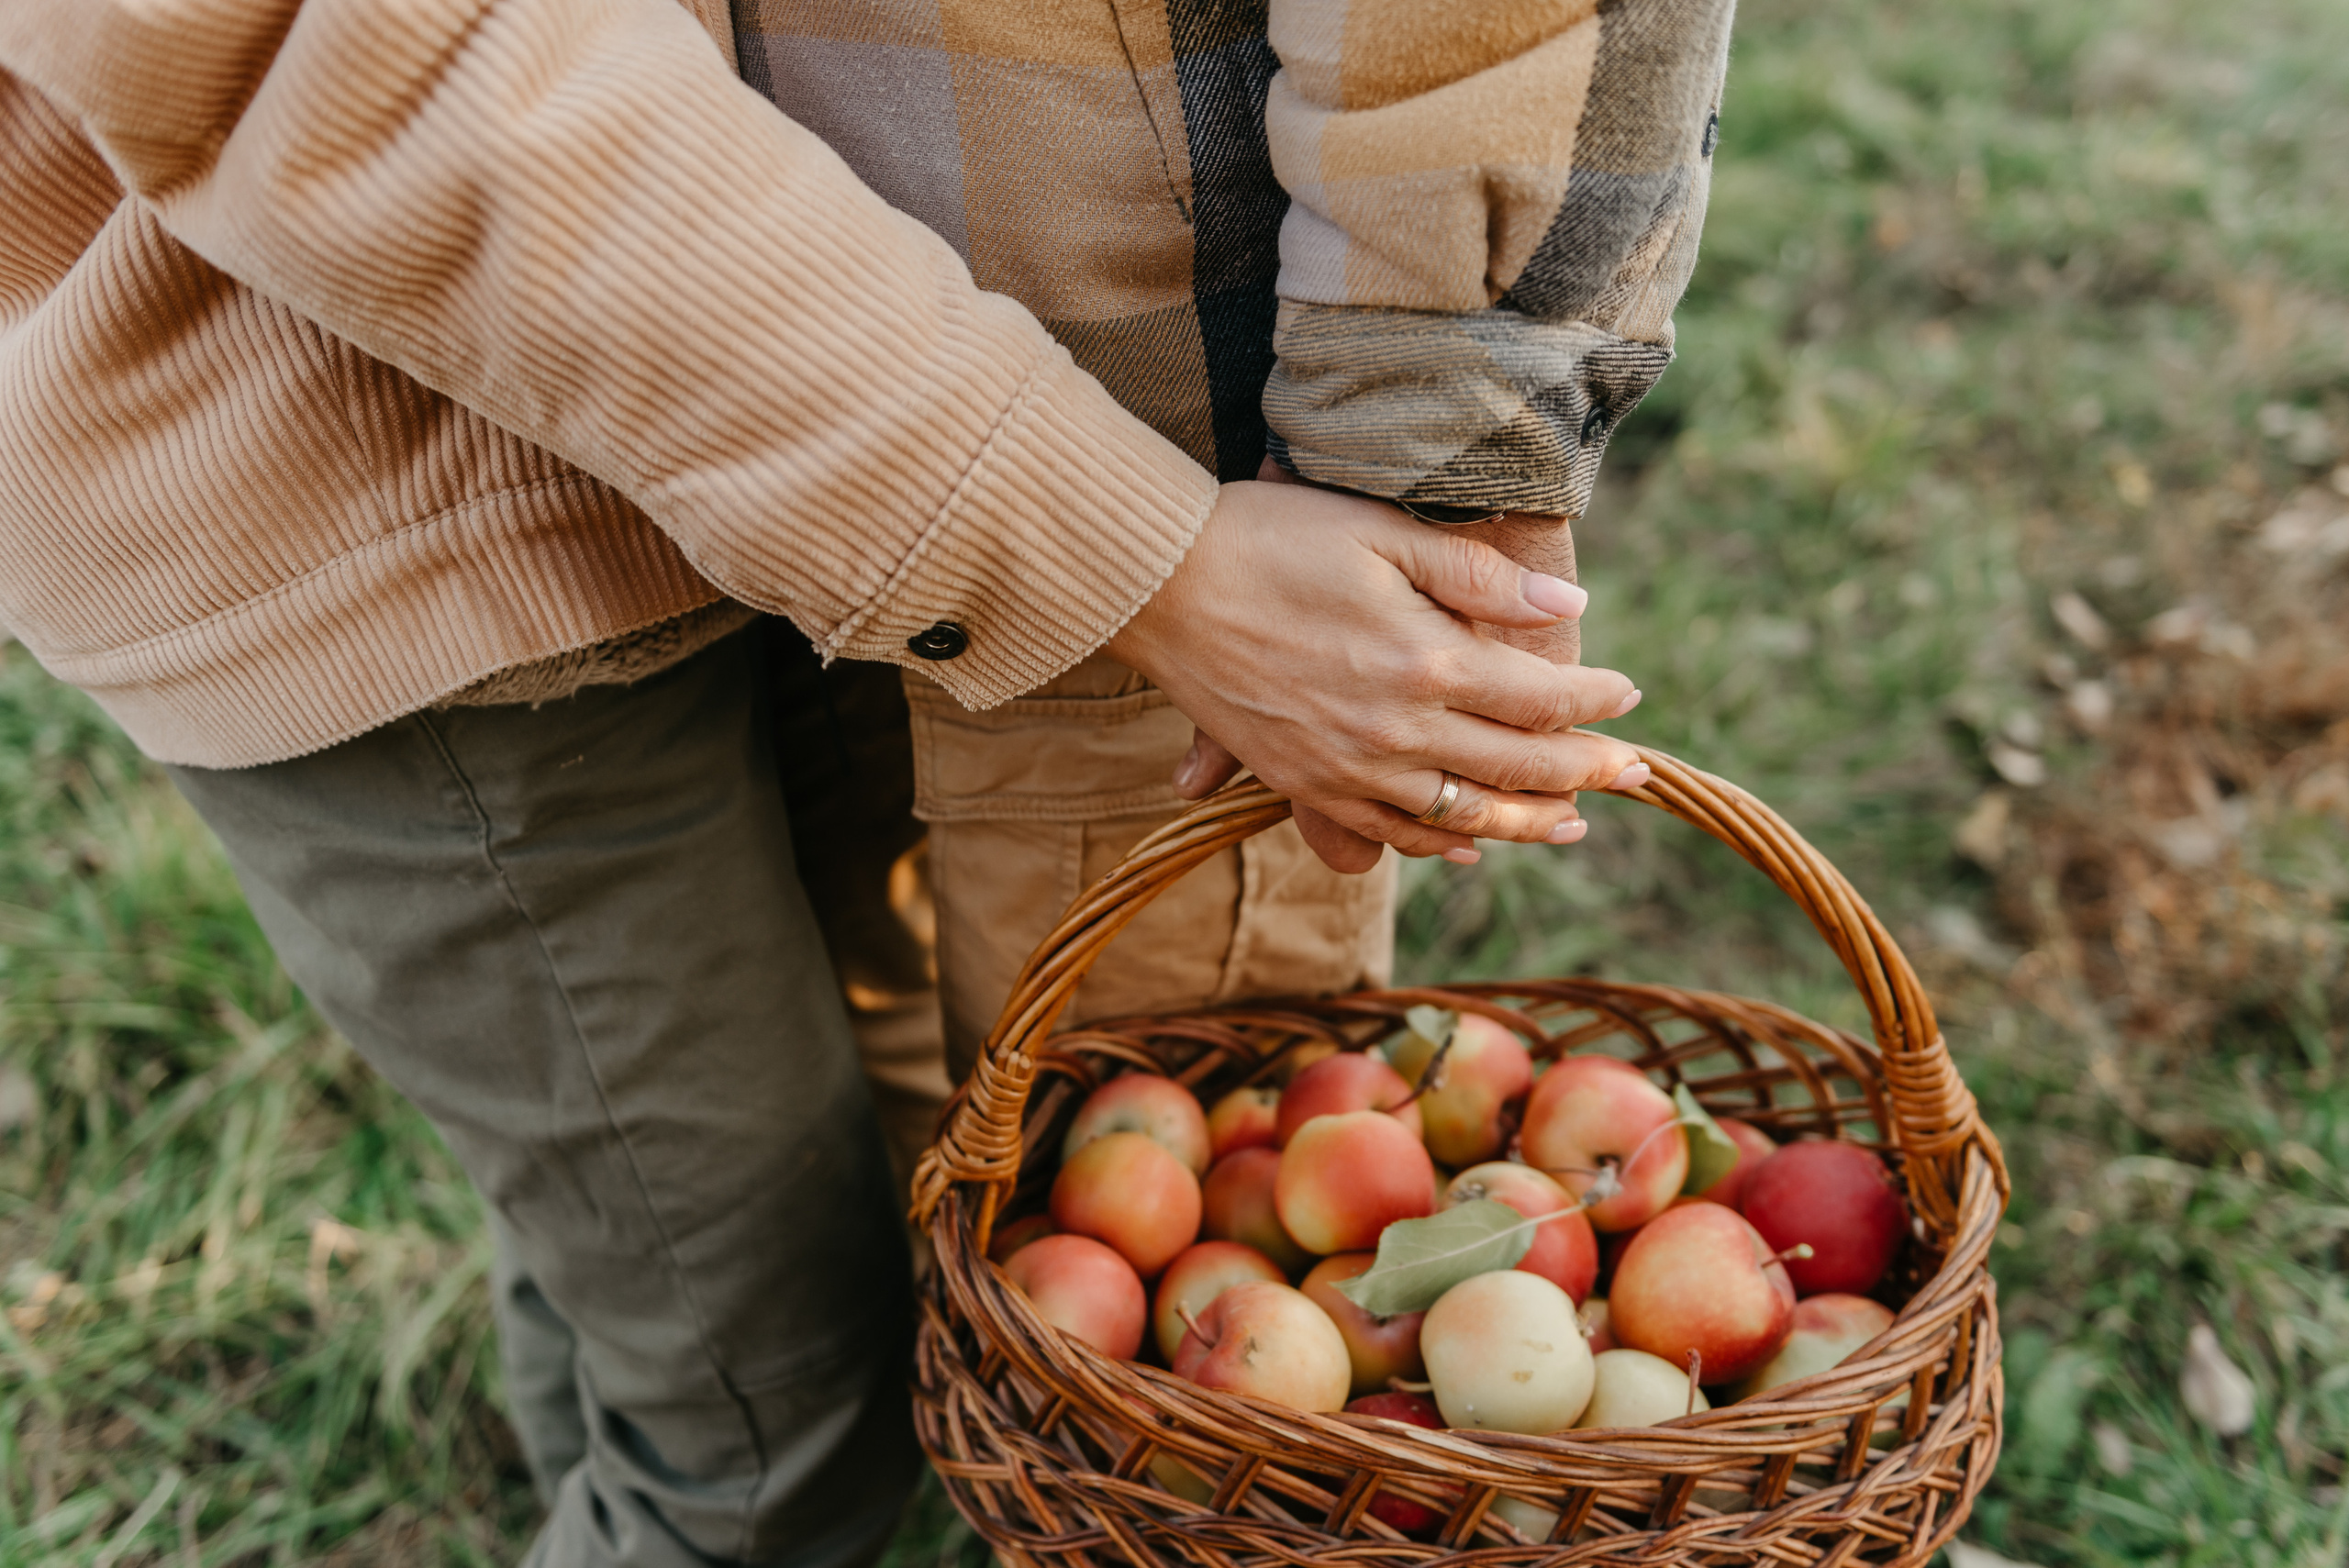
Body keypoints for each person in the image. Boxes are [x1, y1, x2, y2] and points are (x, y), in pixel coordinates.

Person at [0, 1, 1732, 1563]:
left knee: (755, 1192)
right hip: (373, 465)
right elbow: (346, 50)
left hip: (942, 350)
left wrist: (1421, 435)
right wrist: (1131, 551)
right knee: (761, 1413)